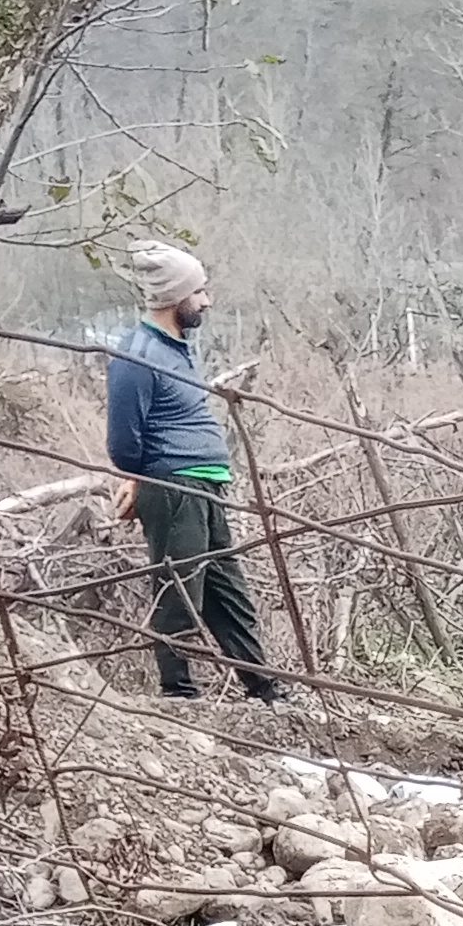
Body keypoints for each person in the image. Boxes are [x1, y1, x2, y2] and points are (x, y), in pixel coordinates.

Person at [106, 241, 283, 704]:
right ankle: (178, 694)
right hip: (176, 486)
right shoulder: (138, 356)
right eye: (199, 291)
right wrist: (141, 479)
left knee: (227, 592)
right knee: (179, 587)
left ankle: (265, 689)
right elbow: (124, 444)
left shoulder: (177, 348)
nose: (206, 300)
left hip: (205, 484)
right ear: (173, 297)